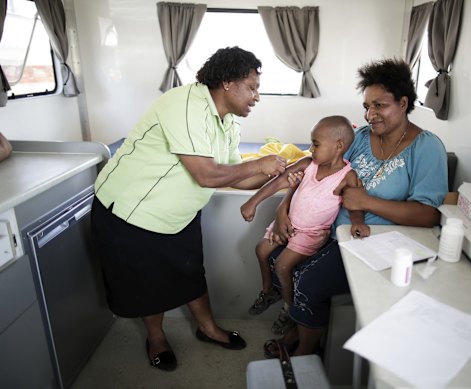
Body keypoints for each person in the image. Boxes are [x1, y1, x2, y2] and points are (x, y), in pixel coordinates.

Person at [90, 46, 287, 371]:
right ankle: (156, 337)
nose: (257, 96)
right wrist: (260, 165)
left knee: (191, 272)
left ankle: (207, 328)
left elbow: (235, 178)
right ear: (227, 81)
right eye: (252, 87)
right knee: (146, 283)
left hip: (178, 214)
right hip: (132, 213)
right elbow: (207, 174)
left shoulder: (228, 122)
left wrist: (280, 177)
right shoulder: (185, 104)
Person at [261, 58, 448, 358]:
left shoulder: (427, 148)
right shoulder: (360, 138)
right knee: (273, 255)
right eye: (367, 106)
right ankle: (300, 325)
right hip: (328, 230)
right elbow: (314, 170)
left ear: (403, 103)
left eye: (379, 105)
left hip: (372, 241)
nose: (370, 114)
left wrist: (365, 202)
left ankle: (306, 350)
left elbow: (429, 215)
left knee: (306, 280)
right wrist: (283, 207)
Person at [240, 116, 371, 336]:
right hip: (289, 223)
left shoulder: (347, 177)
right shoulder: (308, 164)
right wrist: (253, 202)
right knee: (260, 250)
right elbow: (279, 181)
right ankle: (268, 291)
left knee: (282, 265)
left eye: (316, 144)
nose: (311, 148)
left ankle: (289, 309)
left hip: (311, 234)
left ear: (339, 146)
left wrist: (357, 222)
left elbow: (354, 204)